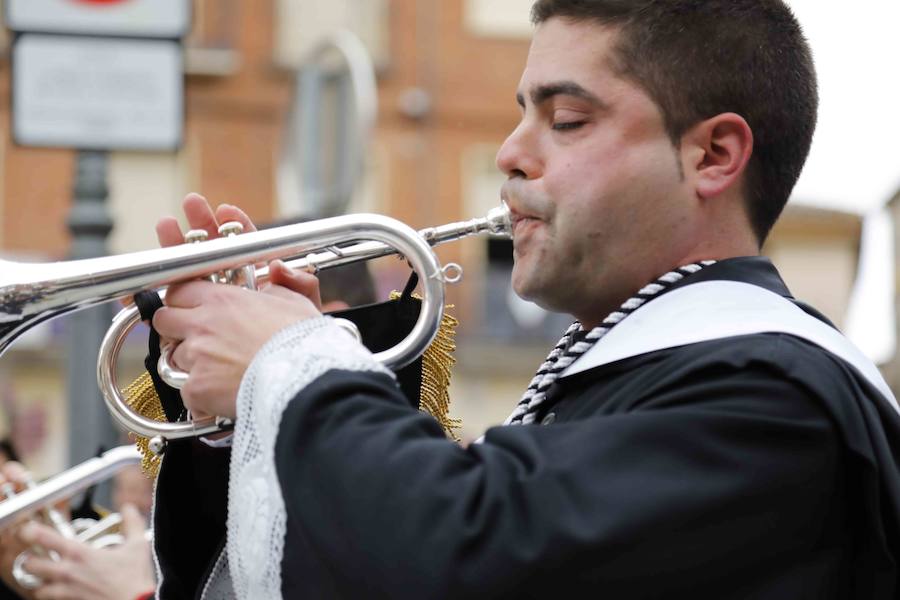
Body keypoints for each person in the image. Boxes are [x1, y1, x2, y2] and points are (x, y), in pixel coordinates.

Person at [147, 0, 900, 598]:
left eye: (566, 120)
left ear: (712, 155)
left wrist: (290, 362)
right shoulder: (637, 372)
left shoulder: (773, 398)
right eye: (520, 114)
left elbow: (462, 557)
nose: (510, 152)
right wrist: (244, 415)